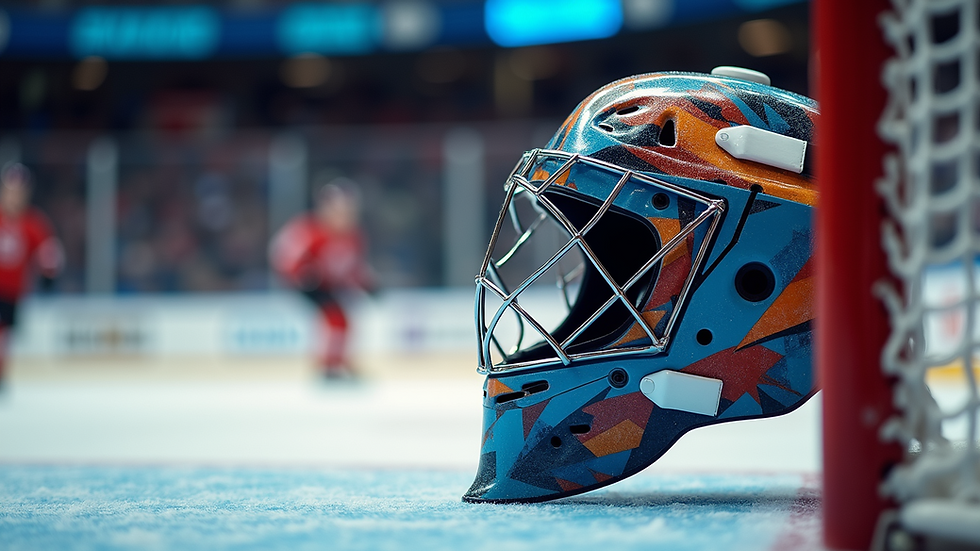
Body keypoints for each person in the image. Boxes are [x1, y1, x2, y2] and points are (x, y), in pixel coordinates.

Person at [269, 180, 373, 379]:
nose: (344, 216)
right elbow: (284, 255)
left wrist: (366, 285)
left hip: (329, 284)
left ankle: (336, 362)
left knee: (342, 320)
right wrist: (301, 274)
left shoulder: (354, 236)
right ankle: (329, 365)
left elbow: (353, 268)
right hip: (308, 285)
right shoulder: (310, 231)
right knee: (335, 317)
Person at [0, 163, 63, 385]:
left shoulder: (33, 223)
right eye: (10, 191)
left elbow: (49, 252)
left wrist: (49, 274)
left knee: (4, 335)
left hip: (13, 291)